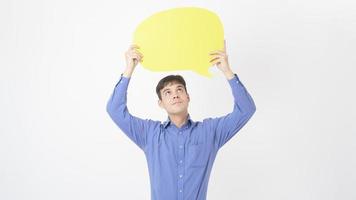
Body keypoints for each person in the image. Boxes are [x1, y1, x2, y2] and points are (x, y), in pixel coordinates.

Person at [106, 40, 256, 200]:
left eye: (179, 89)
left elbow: (246, 110)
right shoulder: (149, 134)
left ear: (188, 97)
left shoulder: (210, 132)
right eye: (167, 92)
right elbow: (115, 110)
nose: (175, 95)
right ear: (160, 103)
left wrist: (227, 71)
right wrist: (129, 69)